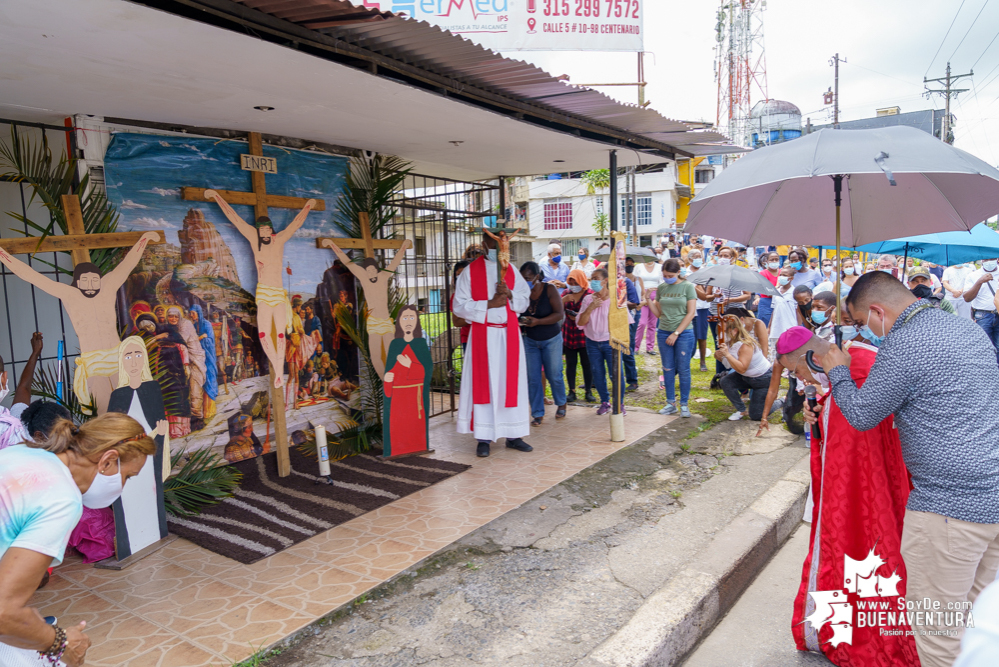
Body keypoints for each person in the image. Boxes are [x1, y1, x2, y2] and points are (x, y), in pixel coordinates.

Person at [812, 271, 999, 666]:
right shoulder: (965, 329)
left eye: (862, 323)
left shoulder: (904, 345)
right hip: (992, 497)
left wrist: (837, 369)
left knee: (939, 631)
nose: (865, 332)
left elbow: (863, 415)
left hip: (948, 510)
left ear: (878, 311)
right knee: (982, 622)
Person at [777, 327, 918, 666]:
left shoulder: (856, 371)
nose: (799, 380)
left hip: (865, 493)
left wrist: (826, 413)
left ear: (806, 358)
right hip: (893, 483)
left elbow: (852, 440)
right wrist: (819, 412)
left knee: (863, 549)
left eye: (795, 371)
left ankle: (867, 636)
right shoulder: (858, 358)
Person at [0, 412, 154, 666]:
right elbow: (4, 613)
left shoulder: (20, 453)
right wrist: (60, 643)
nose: (123, 487)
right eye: (127, 476)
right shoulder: (61, 497)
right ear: (107, 461)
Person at [452, 228, 532, 458]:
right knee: (484, 385)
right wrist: (489, 304)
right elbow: (458, 306)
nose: (497, 247)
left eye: (501, 242)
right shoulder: (469, 272)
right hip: (483, 337)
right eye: (492, 242)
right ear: (484, 243)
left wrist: (509, 295)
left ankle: (514, 435)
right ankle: (483, 437)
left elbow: (524, 299)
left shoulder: (512, 271)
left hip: (509, 336)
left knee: (511, 385)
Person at [519, 262, 567, 425]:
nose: (525, 281)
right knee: (533, 378)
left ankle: (561, 403)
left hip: (551, 338)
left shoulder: (550, 289)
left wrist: (538, 321)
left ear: (537, 277)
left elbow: (559, 314)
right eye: (522, 278)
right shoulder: (521, 293)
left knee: (554, 374)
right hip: (529, 340)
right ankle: (537, 413)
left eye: (528, 278)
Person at [382, 305, 433, 457]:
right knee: (399, 425)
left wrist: (410, 365)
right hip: (398, 398)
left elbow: (428, 369)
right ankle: (396, 450)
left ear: (417, 321)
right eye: (405, 317)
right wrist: (387, 379)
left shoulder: (421, 344)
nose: (408, 321)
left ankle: (417, 446)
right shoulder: (395, 345)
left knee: (413, 425)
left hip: (414, 396)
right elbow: (389, 369)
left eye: (412, 317)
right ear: (399, 322)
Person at [648, 258, 695, 418]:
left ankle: (684, 404)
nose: (667, 278)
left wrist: (676, 333)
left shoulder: (688, 287)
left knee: (683, 369)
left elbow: (691, 313)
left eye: (670, 275)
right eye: (665, 275)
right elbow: (658, 313)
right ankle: (670, 403)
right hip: (663, 331)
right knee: (667, 368)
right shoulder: (662, 288)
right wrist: (648, 299)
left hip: (684, 333)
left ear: (678, 273)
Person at [577, 268, 626, 416]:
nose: (593, 282)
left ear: (605, 281)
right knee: (597, 373)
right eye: (592, 278)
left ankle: (619, 403)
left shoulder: (616, 298)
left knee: (616, 374)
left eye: (596, 278)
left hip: (611, 342)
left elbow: (624, 322)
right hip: (592, 342)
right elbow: (580, 322)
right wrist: (591, 308)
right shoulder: (587, 299)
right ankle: (605, 402)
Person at [717, 315, 772, 421]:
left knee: (756, 415)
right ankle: (741, 410)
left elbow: (742, 368)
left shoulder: (745, 345)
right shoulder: (728, 343)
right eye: (719, 330)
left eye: (723, 331)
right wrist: (720, 356)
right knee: (725, 381)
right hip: (746, 377)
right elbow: (729, 365)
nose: (721, 334)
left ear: (734, 331)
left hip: (763, 379)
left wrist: (727, 355)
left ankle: (781, 401)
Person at [0, 332, 43, 450]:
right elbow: (23, 390)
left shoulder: (12, 420)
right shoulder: (14, 429)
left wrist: (35, 353)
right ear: (4, 378)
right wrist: (35, 353)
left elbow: (23, 390)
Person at [561, 269, 595, 404]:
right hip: (569, 333)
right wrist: (563, 300)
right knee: (571, 364)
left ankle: (588, 391)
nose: (573, 285)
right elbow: (554, 307)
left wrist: (579, 316)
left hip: (584, 334)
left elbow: (593, 312)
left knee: (587, 364)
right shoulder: (566, 294)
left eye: (576, 282)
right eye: (571, 282)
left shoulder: (590, 294)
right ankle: (572, 391)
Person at [962, 257, 999, 362]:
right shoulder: (973, 275)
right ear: (981, 260)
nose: (988, 262)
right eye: (986, 259)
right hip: (982, 316)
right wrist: (979, 282)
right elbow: (967, 298)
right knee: (984, 347)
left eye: (991, 258)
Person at [686, 249, 714, 372]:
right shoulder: (685, 272)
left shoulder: (705, 271)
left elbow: (708, 290)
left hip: (702, 307)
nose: (698, 259)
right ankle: (686, 359)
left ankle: (702, 361)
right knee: (690, 334)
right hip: (689, 307)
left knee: (702, 335)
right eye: (695, 257)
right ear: (690, 259)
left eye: (700, 256)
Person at [633, 255, 662, 355]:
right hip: (643, 294)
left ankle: (650, 347)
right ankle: (635, 347)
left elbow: (661, 282)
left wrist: (658, 298)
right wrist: (643, 297)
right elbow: (635, 281)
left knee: (653, 323)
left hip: (656, 294)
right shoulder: (639, 267)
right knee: (642, 323)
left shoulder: (659, 267)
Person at [622, 257, 641, 392]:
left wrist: (618, 303)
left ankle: (632, 380)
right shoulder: (605, 282)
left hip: (627, 319)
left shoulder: (627, 282)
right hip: (607, 321)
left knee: (627, 349)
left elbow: (635, 303)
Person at [450, 260, 472, 353]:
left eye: (463, 274)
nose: (460, 277)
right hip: (468, 337)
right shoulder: (456, 297)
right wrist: (476, 316)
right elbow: (457, 322)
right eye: (458, 274)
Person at [756, 251, 781, 326]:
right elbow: (768, 292)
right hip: (766, 303)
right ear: (767, 262)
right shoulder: (763, 273)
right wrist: (778, 287)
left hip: (780, 303)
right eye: (772, 260)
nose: (774, 261)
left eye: (776, 259)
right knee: (766, 326)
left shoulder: (782, 272)